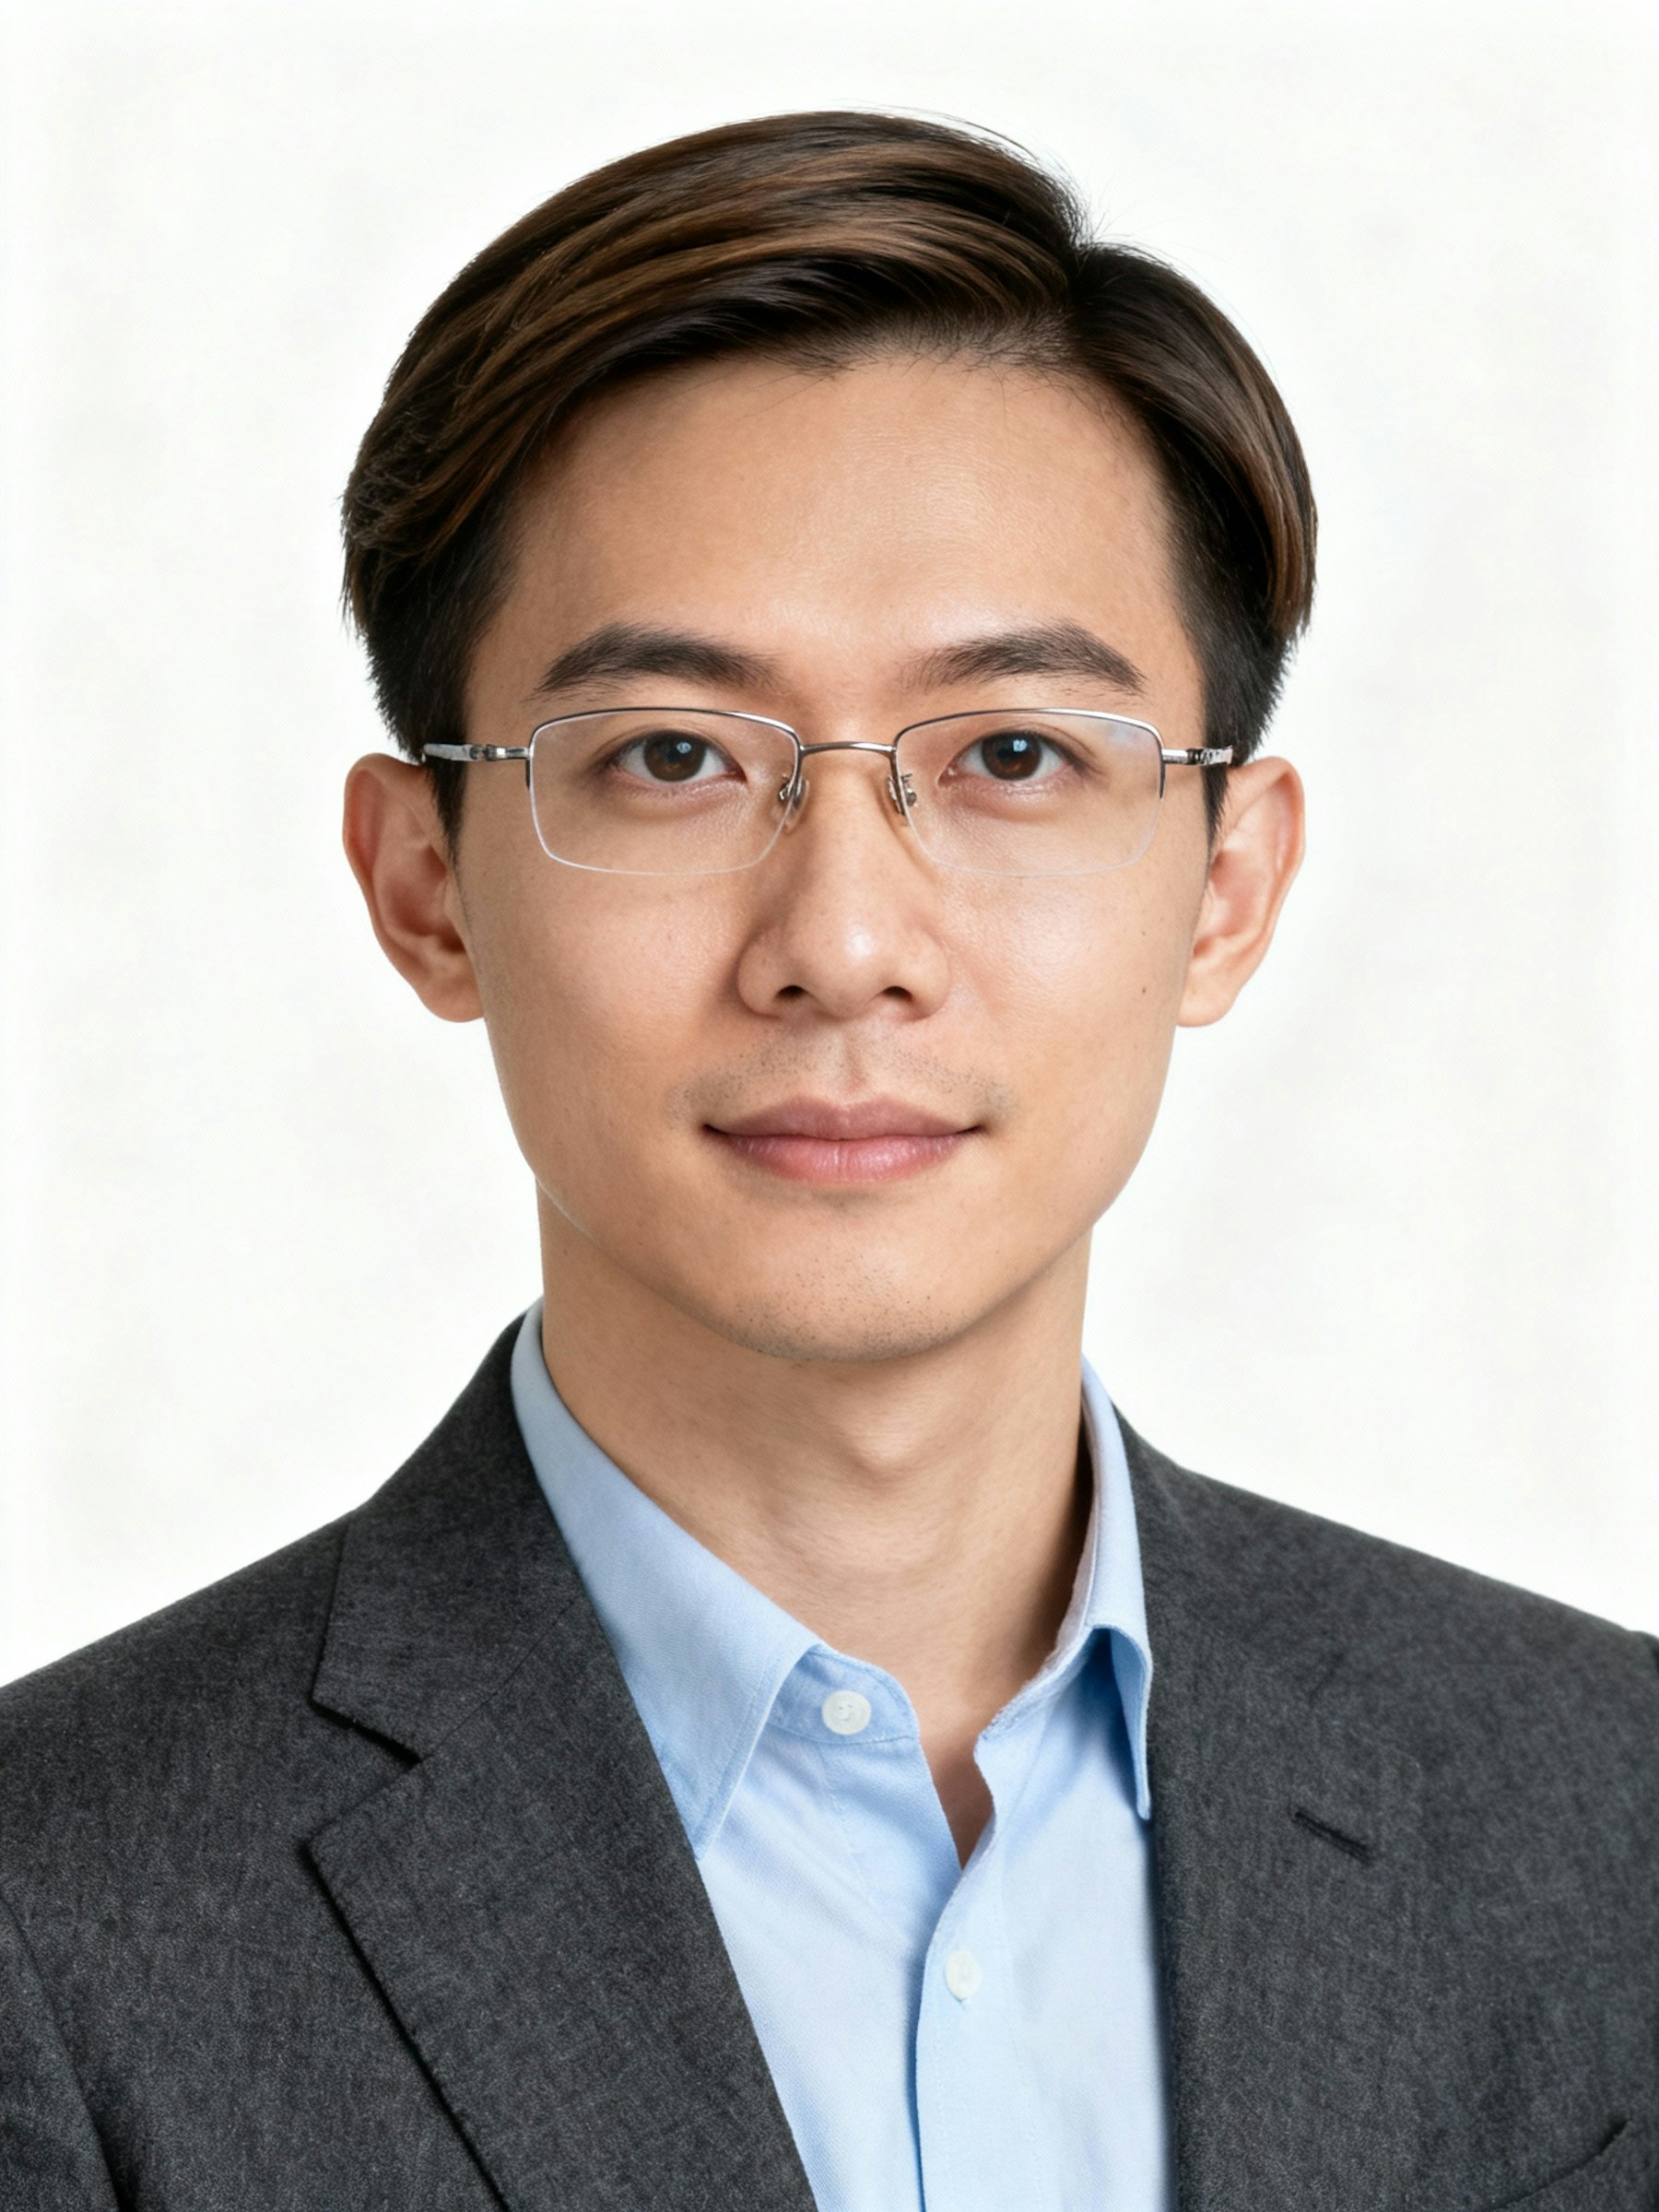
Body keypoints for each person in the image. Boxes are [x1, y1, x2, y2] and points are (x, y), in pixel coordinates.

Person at [1, 110, 1653, 2212]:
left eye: (1017, 757)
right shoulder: (54, 1922)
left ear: (1230, 885)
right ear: (425, 886)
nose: (846, 944)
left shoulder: (1610, 1819)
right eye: (675, 759)